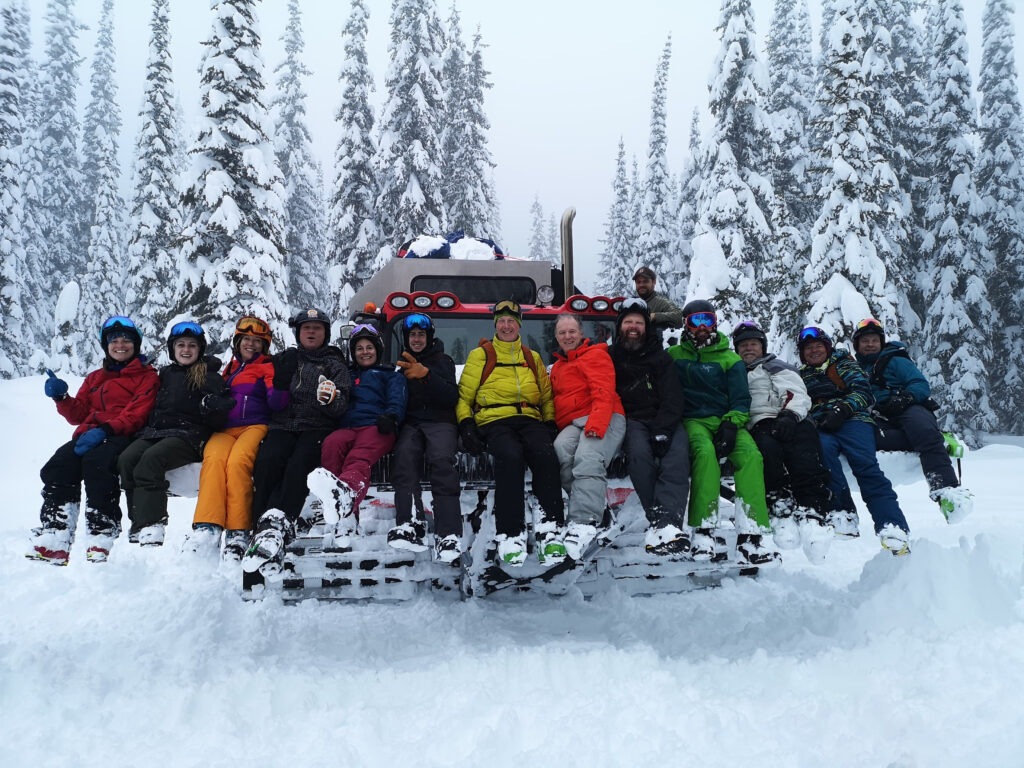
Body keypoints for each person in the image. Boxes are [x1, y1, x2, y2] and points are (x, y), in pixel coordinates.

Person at [28, 316, 159, 565]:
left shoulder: (147, 376)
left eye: (126, 340)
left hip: (123, 434)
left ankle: (102, 529)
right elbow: (78, 414)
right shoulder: (95, 377)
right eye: (114, 341)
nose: (120, 345)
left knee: (98, 463)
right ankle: (56, 533)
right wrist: (62, 397)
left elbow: (138, 413)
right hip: (89, 434)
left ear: (136, 345)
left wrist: (106, 430)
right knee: (58, 466)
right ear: (106, 346)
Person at [668, 300, 778, 565]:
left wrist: (731, 423)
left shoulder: (730, 359)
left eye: (707, 319)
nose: (702, 327)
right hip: (694, 420)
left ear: (715, 323)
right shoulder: (674, 356)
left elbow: (741, 399)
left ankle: (751, 535)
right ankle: (704, 530)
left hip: (726, 420)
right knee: (704, 454)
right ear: (686, 325)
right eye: (696, 321)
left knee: (751, 456)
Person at [456, 299, 565, 567]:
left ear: (519, 325)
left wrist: (550, 421)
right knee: (510, 455)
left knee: (545, 454)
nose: (506, 326)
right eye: (502, 321)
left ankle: (549, 528)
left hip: (529, 417)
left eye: (511, 321)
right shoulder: (480, 355)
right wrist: (466, 423)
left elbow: (546, 395)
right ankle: (510, 532)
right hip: (494, 418)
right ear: (496, 325)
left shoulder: (532, 357)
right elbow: (464, 396)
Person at [242, 308, 350, 577]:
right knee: (266, 463)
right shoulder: (284, 359)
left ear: (325, 334)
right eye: (306, 328)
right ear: (297, 333)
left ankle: (279, 525)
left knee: (299, 466)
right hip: (283, 425)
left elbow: (342, 404)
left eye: (317, 328)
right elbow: (260, 384)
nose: (311, 332)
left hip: (317, 426)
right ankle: (260, 531)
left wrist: (330, 401)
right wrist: (278, 379)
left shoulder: (335, 364)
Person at [118, 321, 236, 547]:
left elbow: (218, 421)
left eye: (192, 345)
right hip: (156, 431)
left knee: (151, 461)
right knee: (127, 459)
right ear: (173, 349)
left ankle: (153, 523)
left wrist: (213, 407)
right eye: (181, 345)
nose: (186, 350)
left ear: (200, 349)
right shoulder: (166, 373)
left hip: (189, 435)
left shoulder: (209, 376)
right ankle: (138, 523)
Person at [797, 326, 912, 555]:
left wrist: (843, 409)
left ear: (828, 348)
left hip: (853, 420)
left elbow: (863, 391)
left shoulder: (843, 364)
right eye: (808, 348)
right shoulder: (802, 375)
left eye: (818, 346)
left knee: (865, 466)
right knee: (824, 458)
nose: (814, 351)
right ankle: (842, 514)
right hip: (822, 424)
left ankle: (892, 526)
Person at [186, 315, 287, 561]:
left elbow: (278, 402)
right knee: (214, 460)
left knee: (238, 463)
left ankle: (238, 531)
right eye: (246, 339)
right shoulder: (229, 369)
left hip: (255, 425)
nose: (250, 344)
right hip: (226, 428)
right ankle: (207, 526)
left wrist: (280, 381)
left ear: (265, 346)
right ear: (237, 342)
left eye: (257, 341)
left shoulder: (268, 367)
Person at [852, 318, 972, 523]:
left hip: (908, 407)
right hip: (880, 415)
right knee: (875, 440)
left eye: (874, 340)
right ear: (857, 345)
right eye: (865, 341)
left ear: (881, 342)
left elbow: (920, 384)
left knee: (923, 433)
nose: (870, 344)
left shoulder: (895, 360)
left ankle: (947, 491)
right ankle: (937, 438)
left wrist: (905, 398)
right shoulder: (854, 369)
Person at [731, 321, 833, 562]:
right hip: (759, 422)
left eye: (753, 344)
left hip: (789, 416)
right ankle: (779, 501)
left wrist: (789, 415)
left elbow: (797, 393)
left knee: (804, 443)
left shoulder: (776, 366)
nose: (748, 349)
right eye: (743, 345)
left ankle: (812, 507)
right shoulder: (735, 372)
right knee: (766, 447)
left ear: (762, 346)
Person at [306, 324, 407, 547]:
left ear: (377, 350)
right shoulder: (347, 375)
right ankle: (346, 516)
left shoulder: (390, 375)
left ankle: (346, 498)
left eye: (369, 347)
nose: (364, 352)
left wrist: (391, 416)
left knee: (357, 458)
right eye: (359, 348)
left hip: (376, 427)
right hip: (349, 427)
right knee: (332, 445)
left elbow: (397, 400)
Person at [607, 298, 691, 555]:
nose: (633, 327)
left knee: (676, 456)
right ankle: (659, 519)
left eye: (639, 323)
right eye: (629, 322)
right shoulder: (609, 356)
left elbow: (673, 396)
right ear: (620, 326)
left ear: (646, 327)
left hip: (661, 417)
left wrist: (664, 430)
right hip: (630, 419)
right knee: (640, 455)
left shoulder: (660, 358)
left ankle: (668, 523)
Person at [550, 313, 627, 559]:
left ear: (581, 334)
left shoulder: (596, 355)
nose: (567, 336)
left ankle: (583, 521)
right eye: (562, 333)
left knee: (588, 456)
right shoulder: (559, 366)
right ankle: (595, 508)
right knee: (560, 449)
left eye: (572, 331)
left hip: (606, 416)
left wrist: (596, 424)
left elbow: (604, 392)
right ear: (556, 337)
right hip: (575, 422)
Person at [387, 313, 463, 564]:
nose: (416, 339)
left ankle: (448, 533)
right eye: (412, 335)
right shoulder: (399, 364)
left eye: (421, 334)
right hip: (412, 423)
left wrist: (426, 375)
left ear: (429, 337)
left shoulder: (443, 361)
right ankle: (409, 524)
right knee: (405, 458)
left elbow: (451, 396)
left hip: (440, 421)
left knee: (442, 461)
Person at [632, 266, 684, 332]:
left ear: (654, 282)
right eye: (638, 282)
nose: (641, 284)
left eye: (645, 281)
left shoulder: (662, 303)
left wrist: (655, 316)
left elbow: (680, 317)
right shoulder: (632, 304)